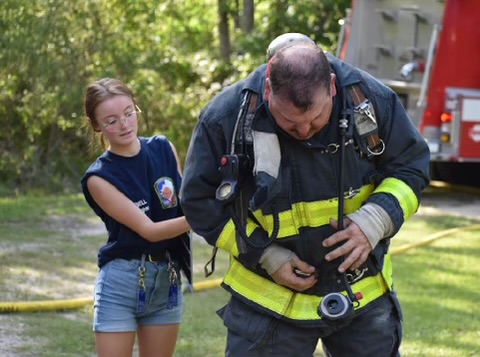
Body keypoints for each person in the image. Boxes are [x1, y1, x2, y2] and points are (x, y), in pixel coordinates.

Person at [180, 33, 430, 357]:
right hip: (267, 300)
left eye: (315, 119)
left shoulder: (369, 100)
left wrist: (374, 221)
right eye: (290, 121)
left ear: (332, 86)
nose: (303, 131)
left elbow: (411, 166)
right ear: (268, 88)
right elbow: (199, 200)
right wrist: (267, 255)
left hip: (361, 292)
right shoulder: (225, 119)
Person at [81, 77, 192, 357]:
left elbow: (184, 205)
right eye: (111, 120)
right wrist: (209, 214)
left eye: (129, 113)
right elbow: (150, 230)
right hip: (122, 283)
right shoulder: (99, 177)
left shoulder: (163, 148)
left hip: (167, 279)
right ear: (97, 126)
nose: (124, 124)